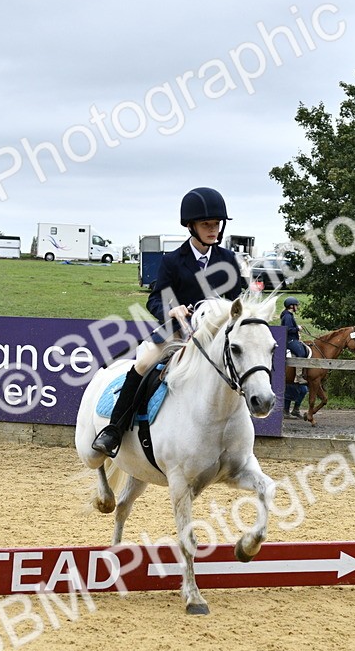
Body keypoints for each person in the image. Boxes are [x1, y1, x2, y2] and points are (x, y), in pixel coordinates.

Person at [91, 187, 247, 456]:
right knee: (142, 365)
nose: (214, 230)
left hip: (214, 339)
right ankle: (114, 430)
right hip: (177, 335)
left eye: (217, 224)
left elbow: (238, 302)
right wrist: (171, 310)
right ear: (191, 226)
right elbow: (154, 301)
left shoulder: (228, 260)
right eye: (206, 224)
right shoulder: (173, 261)